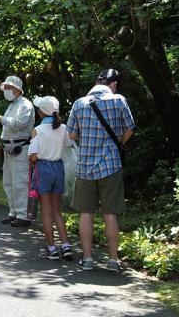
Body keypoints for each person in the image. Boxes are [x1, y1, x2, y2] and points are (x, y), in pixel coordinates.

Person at [66, 69, 135, 271]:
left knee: (86, 213)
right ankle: (113, 261)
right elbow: (130, 127)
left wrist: (87, 137)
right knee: (110, 213)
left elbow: (71, 134)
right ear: (113, 84)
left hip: (85, 166)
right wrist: (118, 142)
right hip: (111, 165)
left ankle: (87, 259)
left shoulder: (79, 103)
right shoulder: (118, 100)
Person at [27, 96, 73, 260]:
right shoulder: (64, 128)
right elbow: (68, 145)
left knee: (46, 212)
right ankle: (66, 245)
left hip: (43, 169)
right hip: (58, 168)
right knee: (56, 211)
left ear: (41, 112)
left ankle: (51, 248)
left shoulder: (37, 130)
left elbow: (33, 157)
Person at [0, 76, 35, 227]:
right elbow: (8, 125)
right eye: (6, 88)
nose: (7, 91)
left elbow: (19, 124)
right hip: (8, 147)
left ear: (17, 89)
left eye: (9, 88)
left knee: (20, 182)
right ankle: (13, 212)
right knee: (8, 181)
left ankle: (23, 215)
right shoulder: (11, 105)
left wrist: (0, 118)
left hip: (21, 148)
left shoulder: (25, 105)